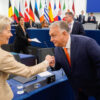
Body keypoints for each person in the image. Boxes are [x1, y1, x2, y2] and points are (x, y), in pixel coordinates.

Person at [0, 15, 54, 100]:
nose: (11, 34)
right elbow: (28, 71)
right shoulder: (3, 56)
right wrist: (46, 62)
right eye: (9, 31)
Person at [49, 21, 100, 100]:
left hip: (96, 87)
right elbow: (58, 66)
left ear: (64, 33)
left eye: (53, 36)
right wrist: (53, 64)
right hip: (78, 90)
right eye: (50, 36)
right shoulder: (57, 49)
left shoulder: (87, 43)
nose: (51, 39)